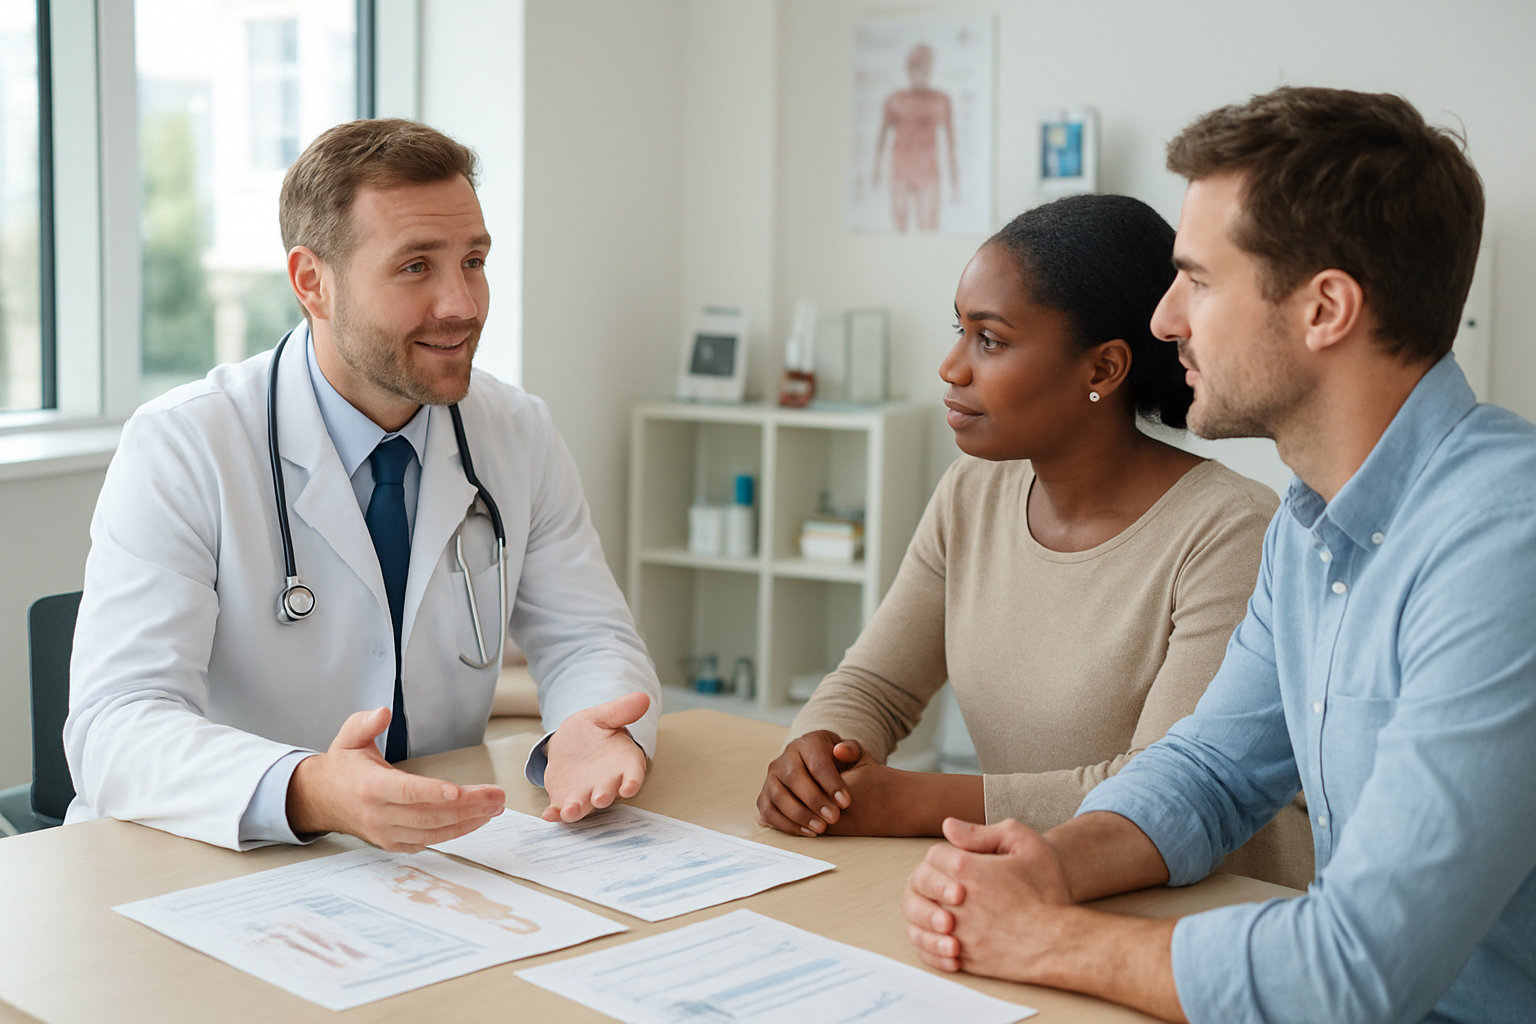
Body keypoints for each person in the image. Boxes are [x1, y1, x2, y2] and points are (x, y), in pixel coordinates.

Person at [903, 87, 1536, 1023]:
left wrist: (1047, 936)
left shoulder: (1504, 547)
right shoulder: (1309, 522)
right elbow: (1212, 770)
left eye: (1197, 280)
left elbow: (1356, 972)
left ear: (1325, 308)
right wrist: (1053, 862)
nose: (1165, 320)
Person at [64, 119, 661, 853]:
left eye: (473, 261)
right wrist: (308, 788)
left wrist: (592, 730)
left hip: (431, 857)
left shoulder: (516, 430)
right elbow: (116, 726)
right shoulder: (185, 445)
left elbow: (588, 636)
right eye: (417, 267)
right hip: (209, 857)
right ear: (313, 283)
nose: (463, 304)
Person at [757, 193, 1312, 889]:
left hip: (1210, 914)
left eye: (989, 339)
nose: (951, 368)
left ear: (1103, 370)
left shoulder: (1233, 531)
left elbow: (1162, 790)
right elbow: (877, 685)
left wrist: (906, 800)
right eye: (958, 331)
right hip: (1040, 891)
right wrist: (818, 756)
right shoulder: (970, 495)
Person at [871, 43, 958, 232]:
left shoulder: (940, 100)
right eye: (916, 67)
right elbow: (882, 135)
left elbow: (951, 143)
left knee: (928, 225)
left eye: (925, 67)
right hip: (900, 169)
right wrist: (876, 169)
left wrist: (955, 181)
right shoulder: (895, 100)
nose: (921, 72)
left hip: (928, 171)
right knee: (899, 225)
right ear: (909, 69)